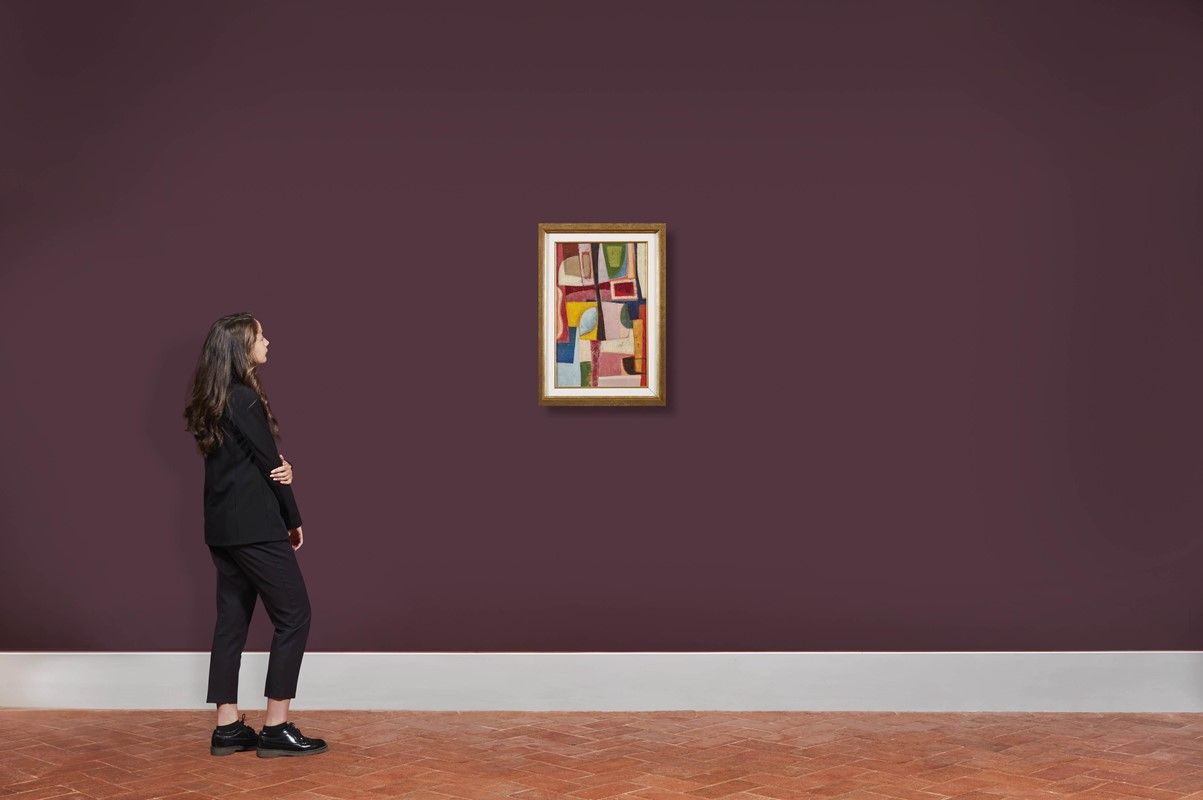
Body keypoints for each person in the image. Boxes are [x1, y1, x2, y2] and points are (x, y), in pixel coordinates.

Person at [183, 313, 328, 758]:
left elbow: (246, 463)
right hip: (255, 527)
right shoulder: (244, 398)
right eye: (260, 336)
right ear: (241, 347)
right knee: (295, 615)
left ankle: (227, 728)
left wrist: (278, 468)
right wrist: (293, 517)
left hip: (221, 529)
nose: (268, 341)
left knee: (231, 621)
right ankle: (276, 727)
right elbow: (272, 466)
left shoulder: (212, 399)